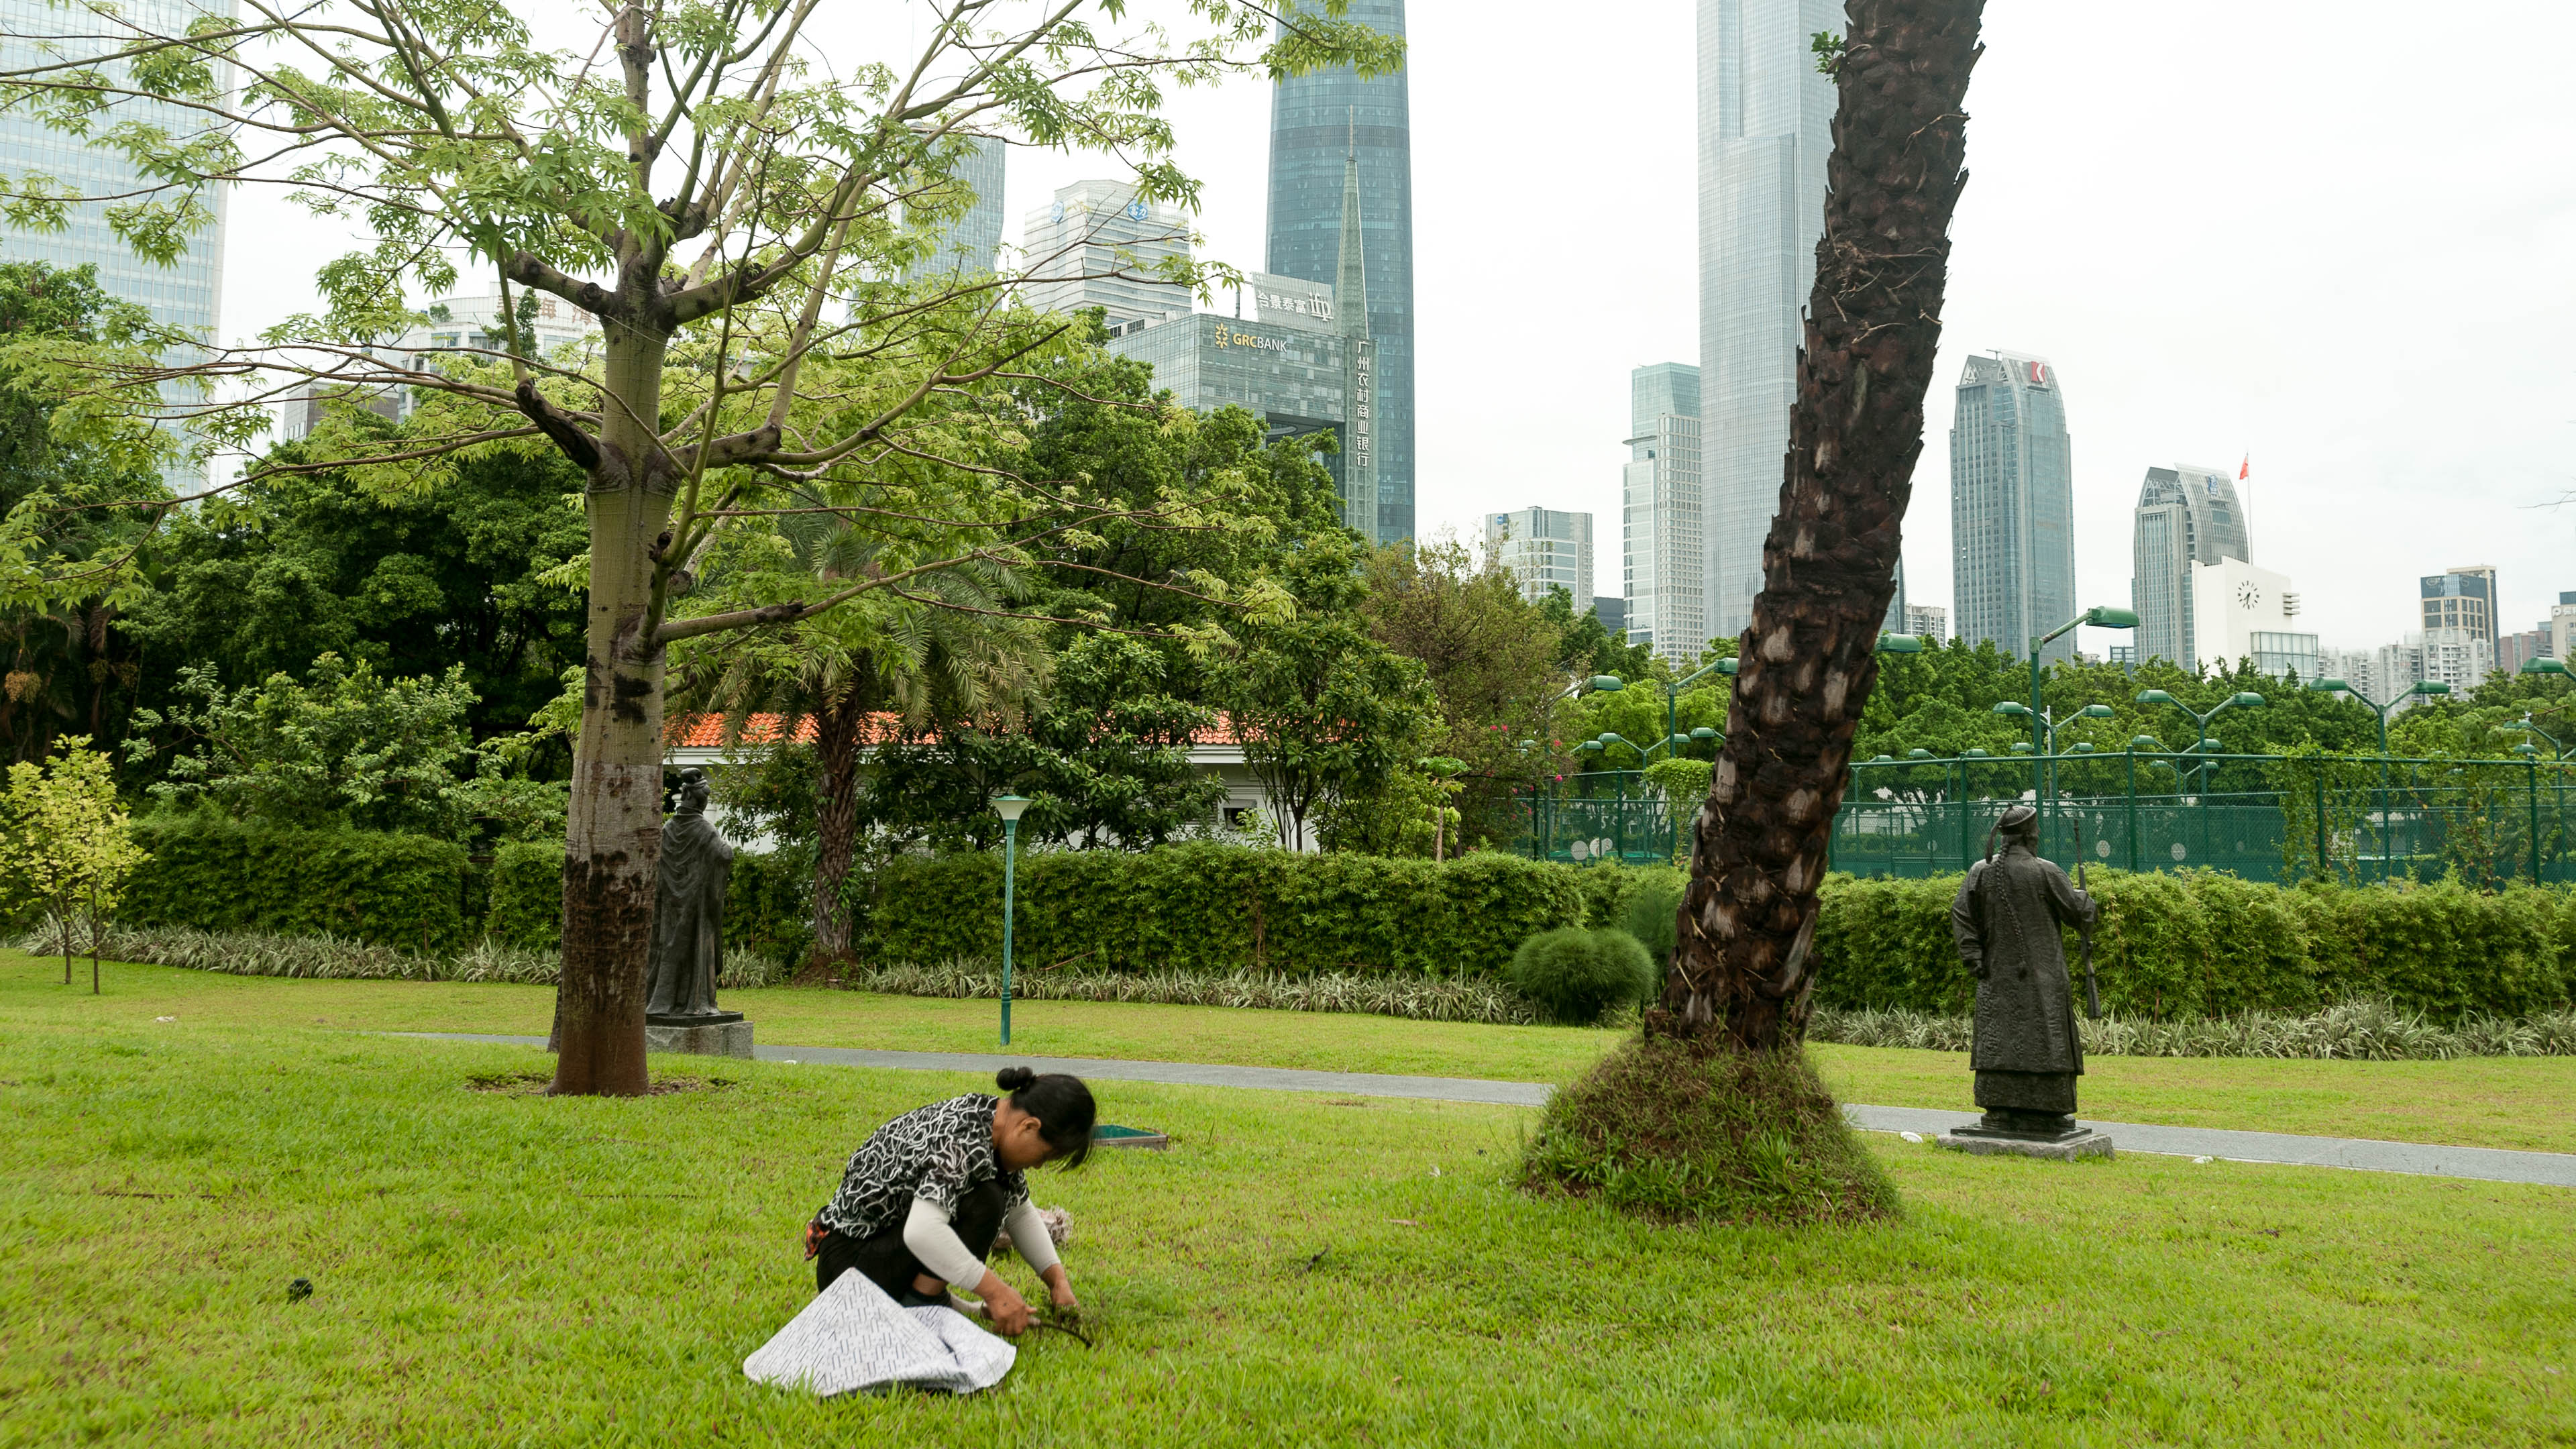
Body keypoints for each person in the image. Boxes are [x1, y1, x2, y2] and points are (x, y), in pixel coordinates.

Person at [804, 1067, 1095, 1336]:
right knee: (986, 1200)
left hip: (874, 1256)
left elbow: (1019, 1212)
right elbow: (921, 1232)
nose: (1039, 1166)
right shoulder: (961, 1141)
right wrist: (995, 1292)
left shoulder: (990, 1121)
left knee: (992, 1195)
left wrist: (1058, 1282)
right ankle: (920, 1311)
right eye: (1044, 1156)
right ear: (1028, 1126)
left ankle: (926, 1302)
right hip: (849, 1270)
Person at [1949, 803, 2099, 1137]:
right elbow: (2080, 914)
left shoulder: (1979, 871)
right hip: (2043, 979)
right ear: (2030, 835)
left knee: (1999, 1039)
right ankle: (2047, 1112)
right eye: (2037, 830)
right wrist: (2085, 900)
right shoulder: (2045, 871)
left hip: (1995, 977)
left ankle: (2000, 1110)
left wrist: (1973, 957)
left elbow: (1961, 914)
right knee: (2046, 1039)